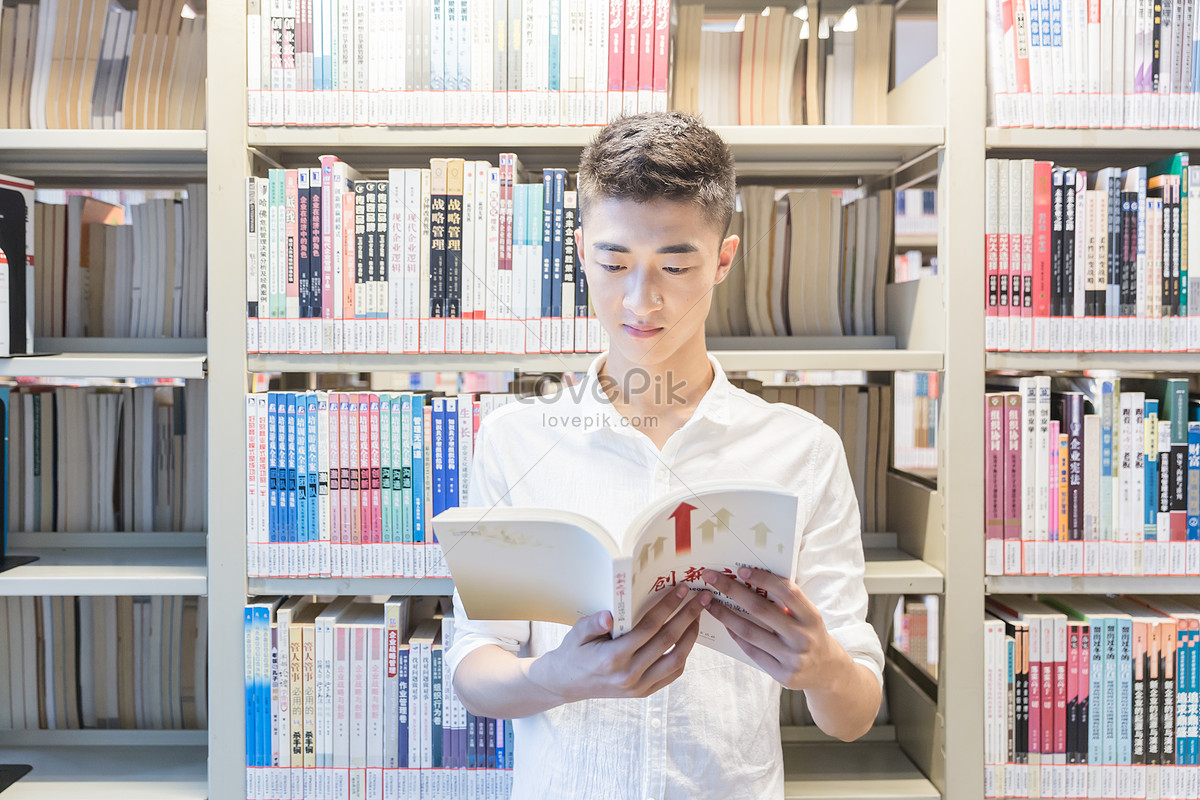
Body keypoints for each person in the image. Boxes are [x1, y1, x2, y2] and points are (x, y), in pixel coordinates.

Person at [445, 111, 884, 800]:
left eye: (676, 265)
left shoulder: (802, 450)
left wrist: (824, 669)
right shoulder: (516, 441)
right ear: (582, 248)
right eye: (614, 263)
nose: (640, 300)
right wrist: (549, 679)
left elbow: (854, 716)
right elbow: (474, 667)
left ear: (724, 261)